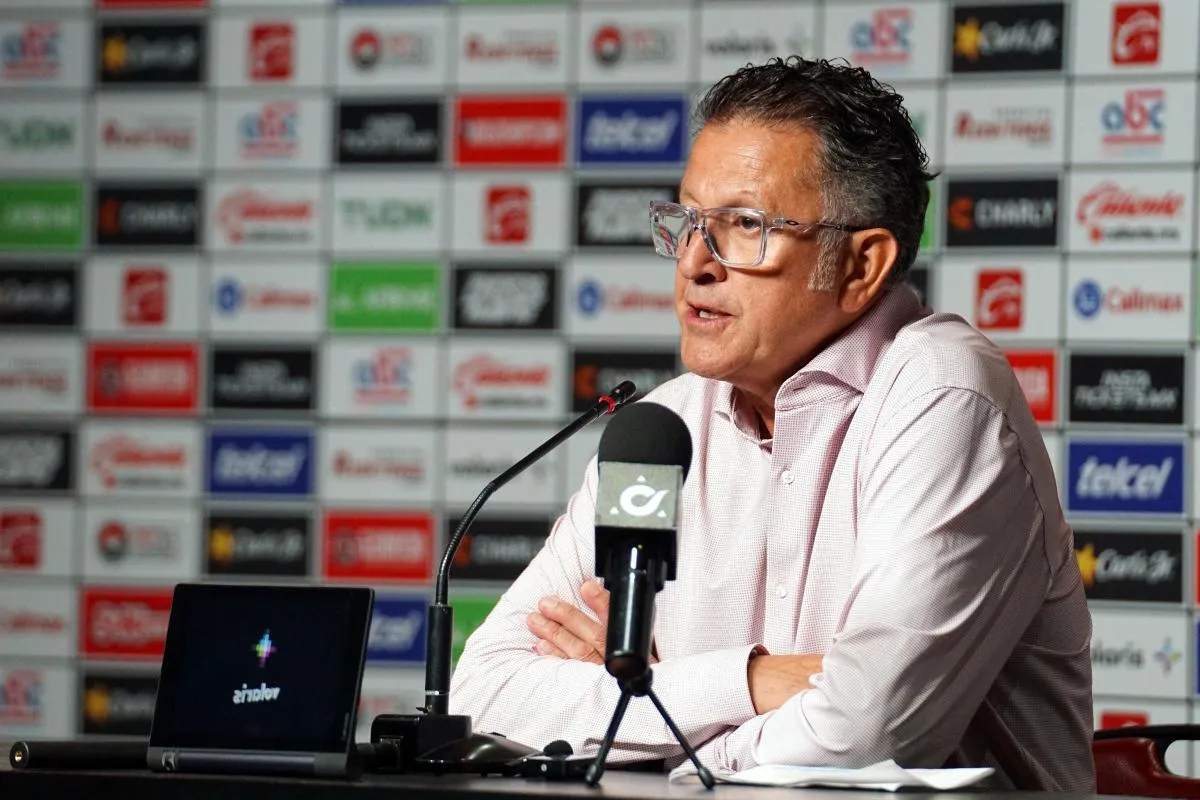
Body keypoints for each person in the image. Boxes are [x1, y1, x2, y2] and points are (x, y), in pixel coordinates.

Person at [449, 56, 1094, 791]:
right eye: (689, 222)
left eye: (746, 226)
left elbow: (868, 733)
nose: (695, 262)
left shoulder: (944, 396)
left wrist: (652, 718)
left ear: (860, 266)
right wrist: (748, 682)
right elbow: (483, 695)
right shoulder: (666, 426)